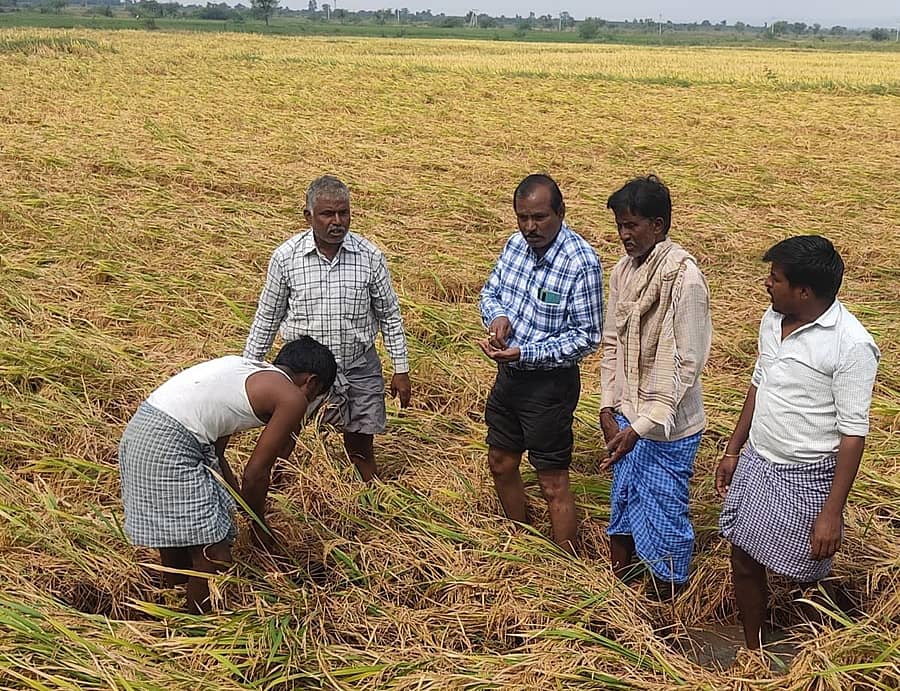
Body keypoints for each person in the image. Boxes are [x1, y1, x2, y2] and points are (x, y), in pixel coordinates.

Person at [717, 235, 879, 650]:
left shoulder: (851, 345)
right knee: (744, 557)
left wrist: (832, 513)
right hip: (759, 461)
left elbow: (853, 433)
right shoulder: (773, 320)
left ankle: (824, 651)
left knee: (808, 573)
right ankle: (753, 648)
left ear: (804, 291)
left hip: (807, 474)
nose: (767, 284)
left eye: (775, 278)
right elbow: (759, 383)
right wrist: (734, 449)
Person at [118, 337, 337, 612]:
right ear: (311, 383)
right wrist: (258, 526)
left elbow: (217, 456)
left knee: (177, 541)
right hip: (170, 444)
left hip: (141, 433)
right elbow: (255, 474)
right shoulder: (291, 397)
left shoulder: (243, 370)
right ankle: (195, 626)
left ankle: (170, 610)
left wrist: (241, 507)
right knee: (214, 555)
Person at [244, 175, 411, 481]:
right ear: (308, 216)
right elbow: (268, 316)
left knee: (361, 445)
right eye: (327, 214)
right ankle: (271, 493)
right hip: (303, 372)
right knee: (284, 441)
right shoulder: (286, 258)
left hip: (358, 365)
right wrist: (248, 368)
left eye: (343, 213)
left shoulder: (370, 257)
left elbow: (389, 314)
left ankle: (368, 496)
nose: (337, 222)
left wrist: (401, 368)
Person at [598, 175, 712, 599]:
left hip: (668, 429)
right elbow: (612, 342)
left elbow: (687, 363)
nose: (624, 235)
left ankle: (669, 603)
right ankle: (620, 594)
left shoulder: (685, 279)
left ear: (658, 225)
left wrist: (641, 427)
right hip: (627, 417)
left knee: (665, 516)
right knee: (624, 503)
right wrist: (608, 407)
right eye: (620, 226)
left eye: (632, 225)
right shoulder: (623, 272)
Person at [479, 173, 603, 554]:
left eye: (539, 218)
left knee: (551, 481)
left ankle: (567, 563)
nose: (530, 227)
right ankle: (521, 543)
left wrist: (526, 352)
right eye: (523, 218)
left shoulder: (580, 263)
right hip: (509, 377)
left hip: (550, 386)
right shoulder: (514, 246)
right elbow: (490, 292)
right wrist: (497, 317)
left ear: (561, 213)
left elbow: (587, 336)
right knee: (501, 461)